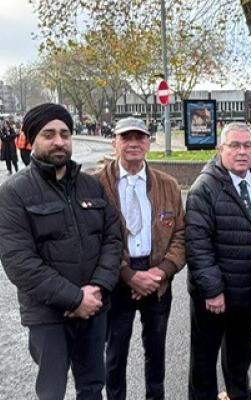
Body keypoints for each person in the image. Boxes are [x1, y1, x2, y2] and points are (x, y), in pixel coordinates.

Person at [0, 103, 123, 400]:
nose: (59, 141)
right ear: (32, 139)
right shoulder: (13, 193)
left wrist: (97, 290)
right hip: (48, 315)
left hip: (94, 307)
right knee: (52, 392)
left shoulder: (91, 186)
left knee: (92, 387)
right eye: (48, 134)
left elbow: (113, 239)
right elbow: (20, 263)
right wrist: (74, 298)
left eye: (65, 133)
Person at [95, 117, 186, 400]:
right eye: (126, 137)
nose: (133, 143)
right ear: (114, 143)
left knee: (156, 351)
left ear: (148, 142)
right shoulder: (96, 184)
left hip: (157, 278)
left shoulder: (168, 185)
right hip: (115, 279)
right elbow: (93, 238)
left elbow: (181, 235)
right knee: (115, 351)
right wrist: (128, 275)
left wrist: (160, 273)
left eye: (140, 137)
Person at [186, 122, 251, 400]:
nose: (241, 152)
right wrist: (213, 291)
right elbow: (198, 246)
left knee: (239, 358)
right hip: (214, 296)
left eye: (247, 146)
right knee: (204, 362)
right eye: (234, 145)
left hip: (247, 291)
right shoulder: (204, 188)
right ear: (220, 148)